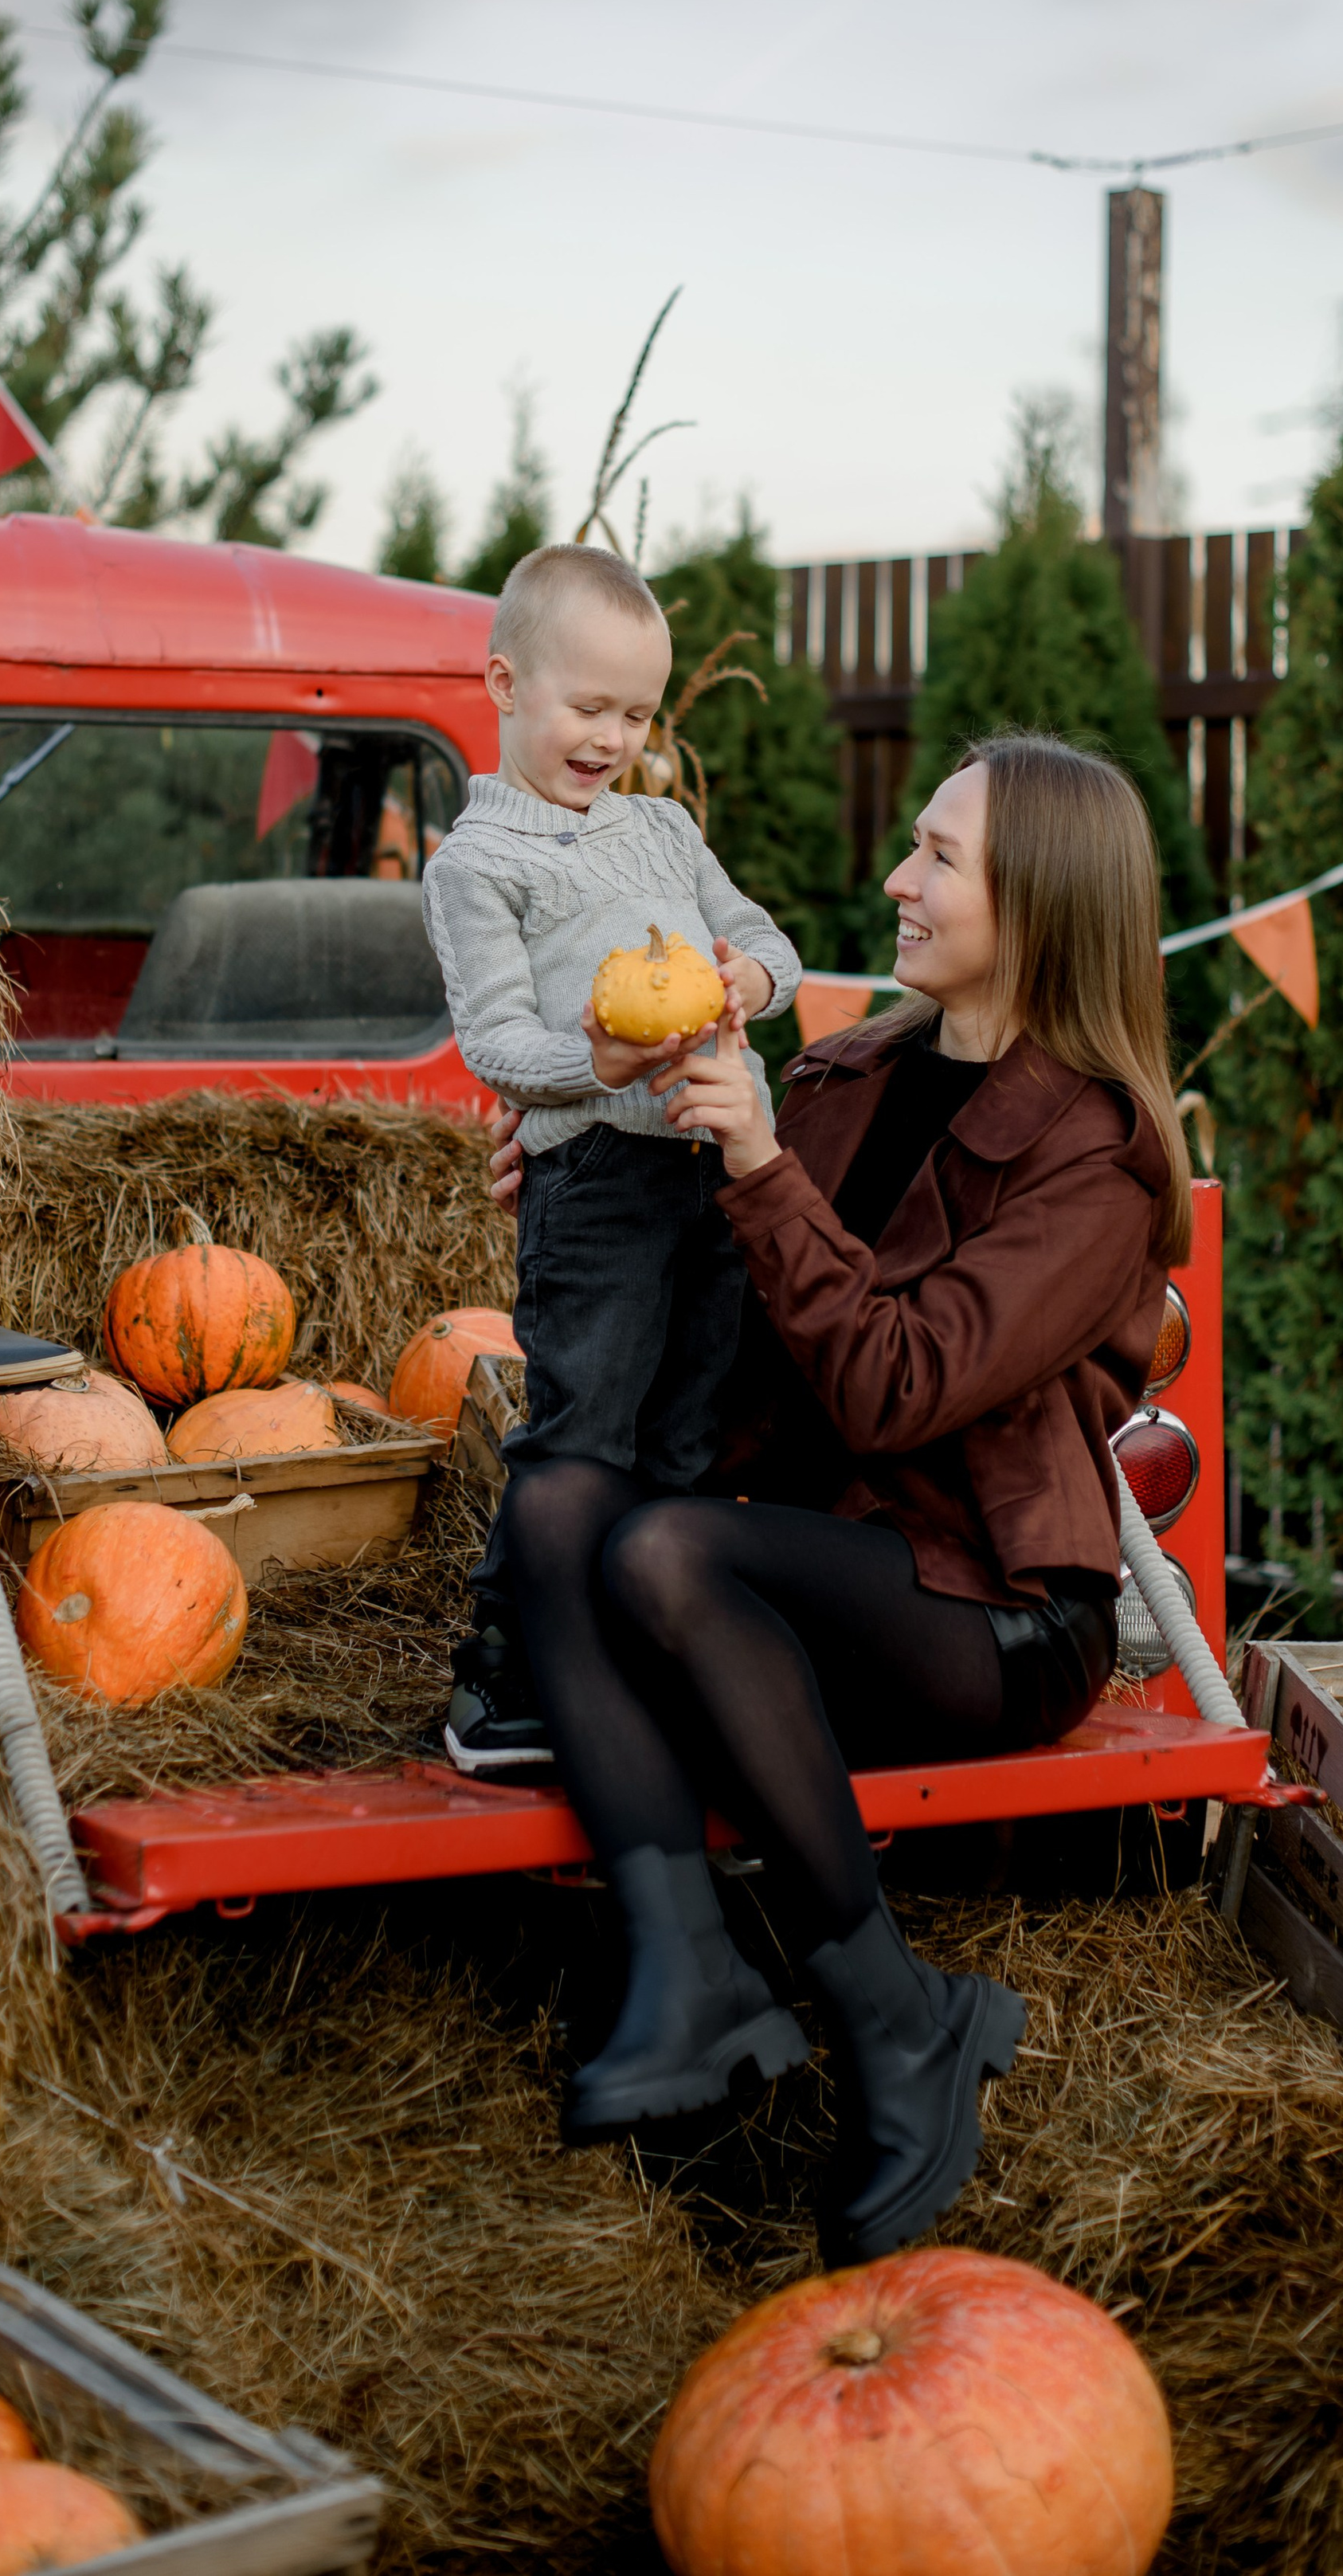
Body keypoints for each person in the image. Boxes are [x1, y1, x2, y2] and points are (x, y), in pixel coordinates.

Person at [485, 731, 1191, 2261]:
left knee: (667, 1558)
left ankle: (899, 2019)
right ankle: (685, 1970)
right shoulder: (847, 1072)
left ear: (1044, 904)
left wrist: (750, 1162)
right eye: (915, 847)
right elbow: (735, 1286)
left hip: (981, 1603)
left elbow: (897, 1382)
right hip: (794, 1556)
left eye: (940, 857)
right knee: (561, 1515)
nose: (898, 879)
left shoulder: (1100, 1161)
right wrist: (587, 1160)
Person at [420, 543, 803, 1774]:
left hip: (710, 1167)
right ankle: (502, 1674)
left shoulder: (661, 828)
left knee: (686, 1431)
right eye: (590, 708)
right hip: (592, 1183)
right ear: (505, 682)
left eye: (637, 715)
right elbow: (496, 1042)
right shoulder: (478, 865)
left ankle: (643, 1655)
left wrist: (745, 975)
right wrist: (602, 1060)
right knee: (581, 1431)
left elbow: (768, 942)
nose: (612, 738)